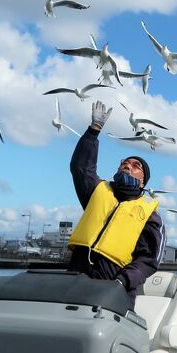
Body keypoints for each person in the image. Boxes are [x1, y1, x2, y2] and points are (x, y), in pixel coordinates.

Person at [67, 100, 165, 308]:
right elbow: (81, 167)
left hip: (114, 287)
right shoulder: (98, 191)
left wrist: (122, 281)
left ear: (143, 181)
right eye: (124, 163)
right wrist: (93, 132)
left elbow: (148, 260)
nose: (128, 166)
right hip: (76, 277)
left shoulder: (149, 215)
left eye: (136, 166)